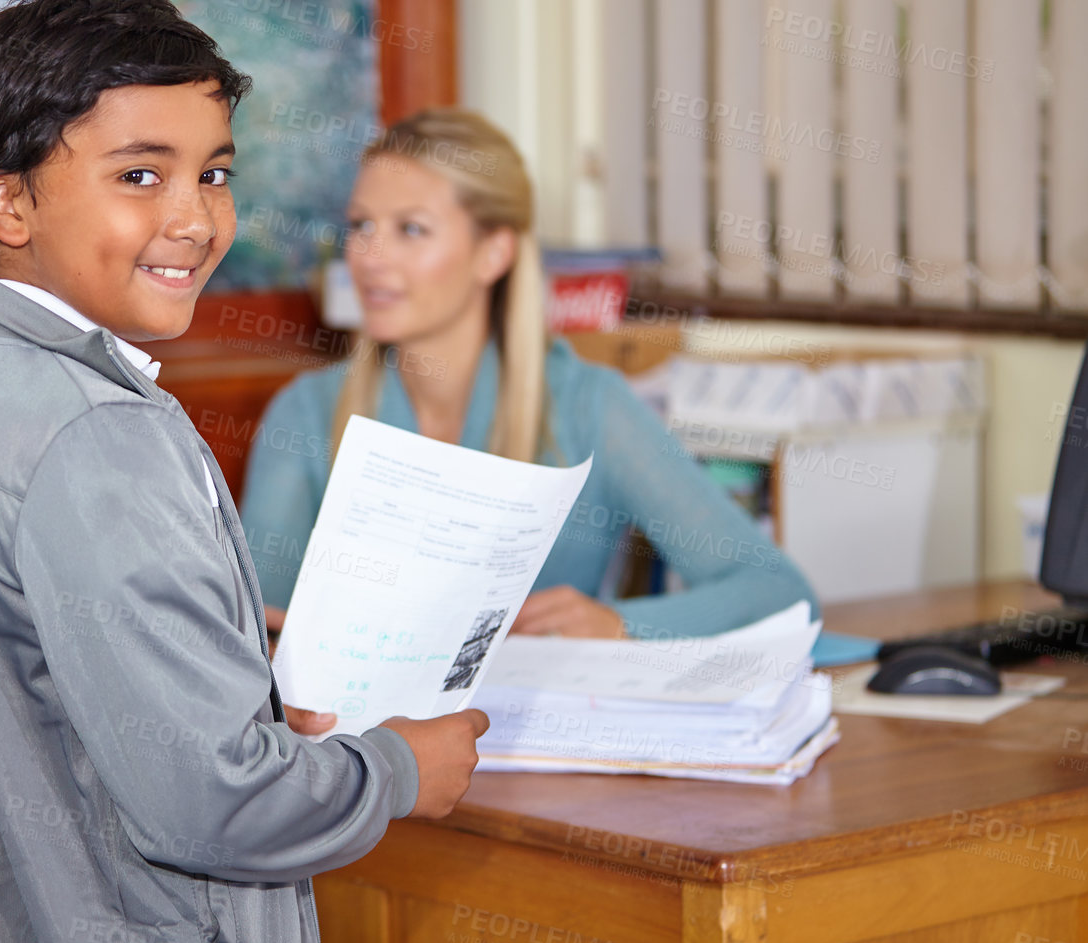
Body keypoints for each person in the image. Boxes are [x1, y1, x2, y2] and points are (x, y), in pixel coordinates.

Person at [0, 0, 489, 943]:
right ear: (6, 197)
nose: (194, 218)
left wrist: (241, 693)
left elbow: (45, 695)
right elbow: (212, 802)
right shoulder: (100, 429)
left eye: (214, 172)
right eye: (140, 174)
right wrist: (399, 769)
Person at [241, 109, 818, 640]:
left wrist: (618, 625)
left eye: (410, 229)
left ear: (493, 253)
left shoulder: (588, 405)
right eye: (361, 226)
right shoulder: (306, 411)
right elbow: (262, 620)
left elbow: (779, 594)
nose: (368, 256)